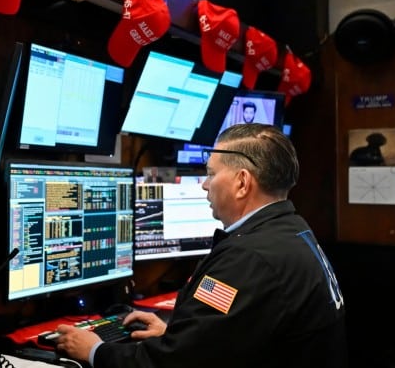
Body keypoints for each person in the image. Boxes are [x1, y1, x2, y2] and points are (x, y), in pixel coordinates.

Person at [55, 123, 347, 367]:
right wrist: (177, 334)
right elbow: (239, 334)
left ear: (242, 182)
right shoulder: (293, 231)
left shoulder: (249, 257)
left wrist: (95, 350)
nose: (205, 185)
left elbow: (175, 365)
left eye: (210, 174)